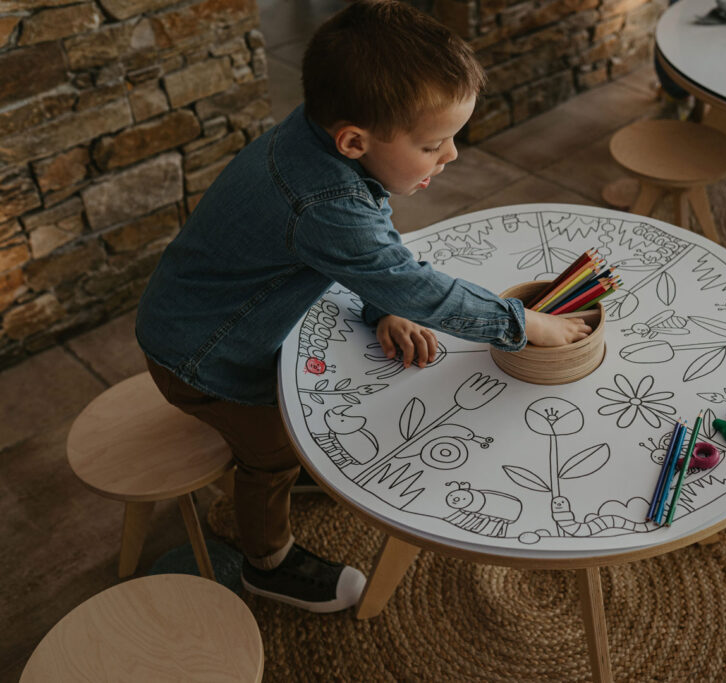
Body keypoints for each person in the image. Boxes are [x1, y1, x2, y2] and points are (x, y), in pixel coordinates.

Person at [135, 0, 590, 613]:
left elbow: (365, 251)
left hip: (196, 313)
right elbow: (412, 282)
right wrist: (522, 323)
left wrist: (384, 303)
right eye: (433, 144)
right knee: (272, 452)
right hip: (203, 358)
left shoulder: (316, 139)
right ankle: (268, 563)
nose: (452, 155)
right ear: (353, 140)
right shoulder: (323, 200)